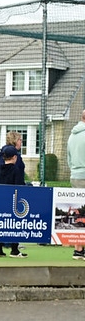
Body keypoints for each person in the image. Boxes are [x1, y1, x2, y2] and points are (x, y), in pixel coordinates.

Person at [0, 132, 28, 258]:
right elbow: (17, 178)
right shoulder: (15, 159)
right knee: (14, 218)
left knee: (1, 218)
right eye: (20, 139)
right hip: (13, 192)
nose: (21, 142)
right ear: (15, 141)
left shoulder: (1, 155)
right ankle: (14, 248)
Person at [67, 109, 85, 260]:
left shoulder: (72, 135)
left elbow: (68, 157)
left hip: (75, 175)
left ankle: (78, 249)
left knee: (80, 211)